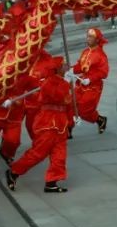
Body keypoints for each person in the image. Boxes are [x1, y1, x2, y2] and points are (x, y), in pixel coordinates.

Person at [6, 56, 74, 193]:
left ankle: (52, 182)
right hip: (48, 122)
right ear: (58, 69)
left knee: (59, 155)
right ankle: (14, 171)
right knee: (38, 153)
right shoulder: (49, 83)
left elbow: (68, 103)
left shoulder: (63, 82)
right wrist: (66, 82)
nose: (67, 67)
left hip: (60, 124)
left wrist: (71, 120)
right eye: (64, 65)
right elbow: (57, 96)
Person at [72, 27, 110, 134]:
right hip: (81, 85)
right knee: (71, 104)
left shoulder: (101, 55)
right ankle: (67, 129)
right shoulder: (85, 51)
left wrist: (90, 79)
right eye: (87, 36)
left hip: (93, 87)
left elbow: (104, 72)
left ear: (97, 39)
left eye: (91, 37)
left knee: (84, 110)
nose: (88, 39)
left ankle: (100, 119)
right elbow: (80, 66)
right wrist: (70, 70)